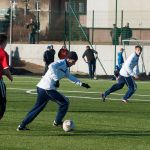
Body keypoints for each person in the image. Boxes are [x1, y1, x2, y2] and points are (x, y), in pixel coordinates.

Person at [17, 51, 90, 131]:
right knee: (65, 102)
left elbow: (70, 76)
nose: (74, 63)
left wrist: (81, 84)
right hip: (47, 88)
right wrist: (56, 79)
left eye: (75, 62)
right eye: (73, 61)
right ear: (68, 59)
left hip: (42, 87)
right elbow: (51, 66)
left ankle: (22, 126)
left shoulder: (65, 68)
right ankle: (57, 122)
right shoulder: (61, 62)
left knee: (37, 108)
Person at [0, 34, 13, 120]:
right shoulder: (3, 53)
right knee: (2, 104)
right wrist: (10, 77)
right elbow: (5, 70)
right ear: (4, 42)